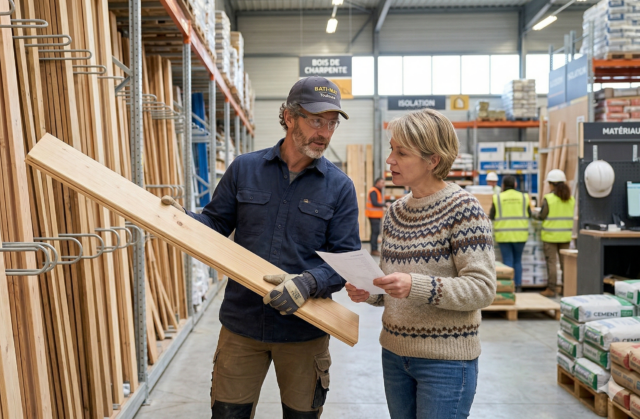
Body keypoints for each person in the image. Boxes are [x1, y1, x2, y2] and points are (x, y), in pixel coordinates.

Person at [162, 76, 360, 418]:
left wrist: (308, 283)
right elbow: (217, 222)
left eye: (331, 124)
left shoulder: (340, 188)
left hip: (305, 329)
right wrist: (183, 220)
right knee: (228, 413)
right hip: (243, 324)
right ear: (288, 116)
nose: (324, 133)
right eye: (316, 120)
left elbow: (346, 260)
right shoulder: (245, 169)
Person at [345, 109, 496, 419]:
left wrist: (416, 285)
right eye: (391, 149)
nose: (390, 160)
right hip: (394, 355)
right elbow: (393, 286)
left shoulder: (464, 210)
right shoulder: (395, 213)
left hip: (446, 362)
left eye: (401, 152)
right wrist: (370, 291)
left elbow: (482, 289)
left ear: (433, 160)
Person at [535, 169, 575, 298]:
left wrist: (533, 214)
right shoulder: (571, 199)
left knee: (552, 263)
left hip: (550, 236)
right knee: (565, 264)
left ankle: (551, 289)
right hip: (565, 236)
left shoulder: (549, 198)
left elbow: (542, 216)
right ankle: (566, 288)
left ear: (552, 184)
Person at [490, 176, 531, 292]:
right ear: (515, 185)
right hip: (520, 235)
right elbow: (530, 214)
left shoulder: (497, 198)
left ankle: (509, 287)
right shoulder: (524, 197)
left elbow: (492, 216)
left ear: (503, 185)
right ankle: (518, 286)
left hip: (504, 235)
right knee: (518, 260)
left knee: (508, 260)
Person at [366, 177, 387, 256]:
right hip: (373, 215)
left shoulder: (377, 191)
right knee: (375, 232)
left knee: (376, 232)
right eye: (382, 183)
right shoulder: (373, 191)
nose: (383, 185)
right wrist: (384, 204)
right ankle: (374, 250)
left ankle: (374, 249)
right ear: (377, 183)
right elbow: (375, 203)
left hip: (376, 215)